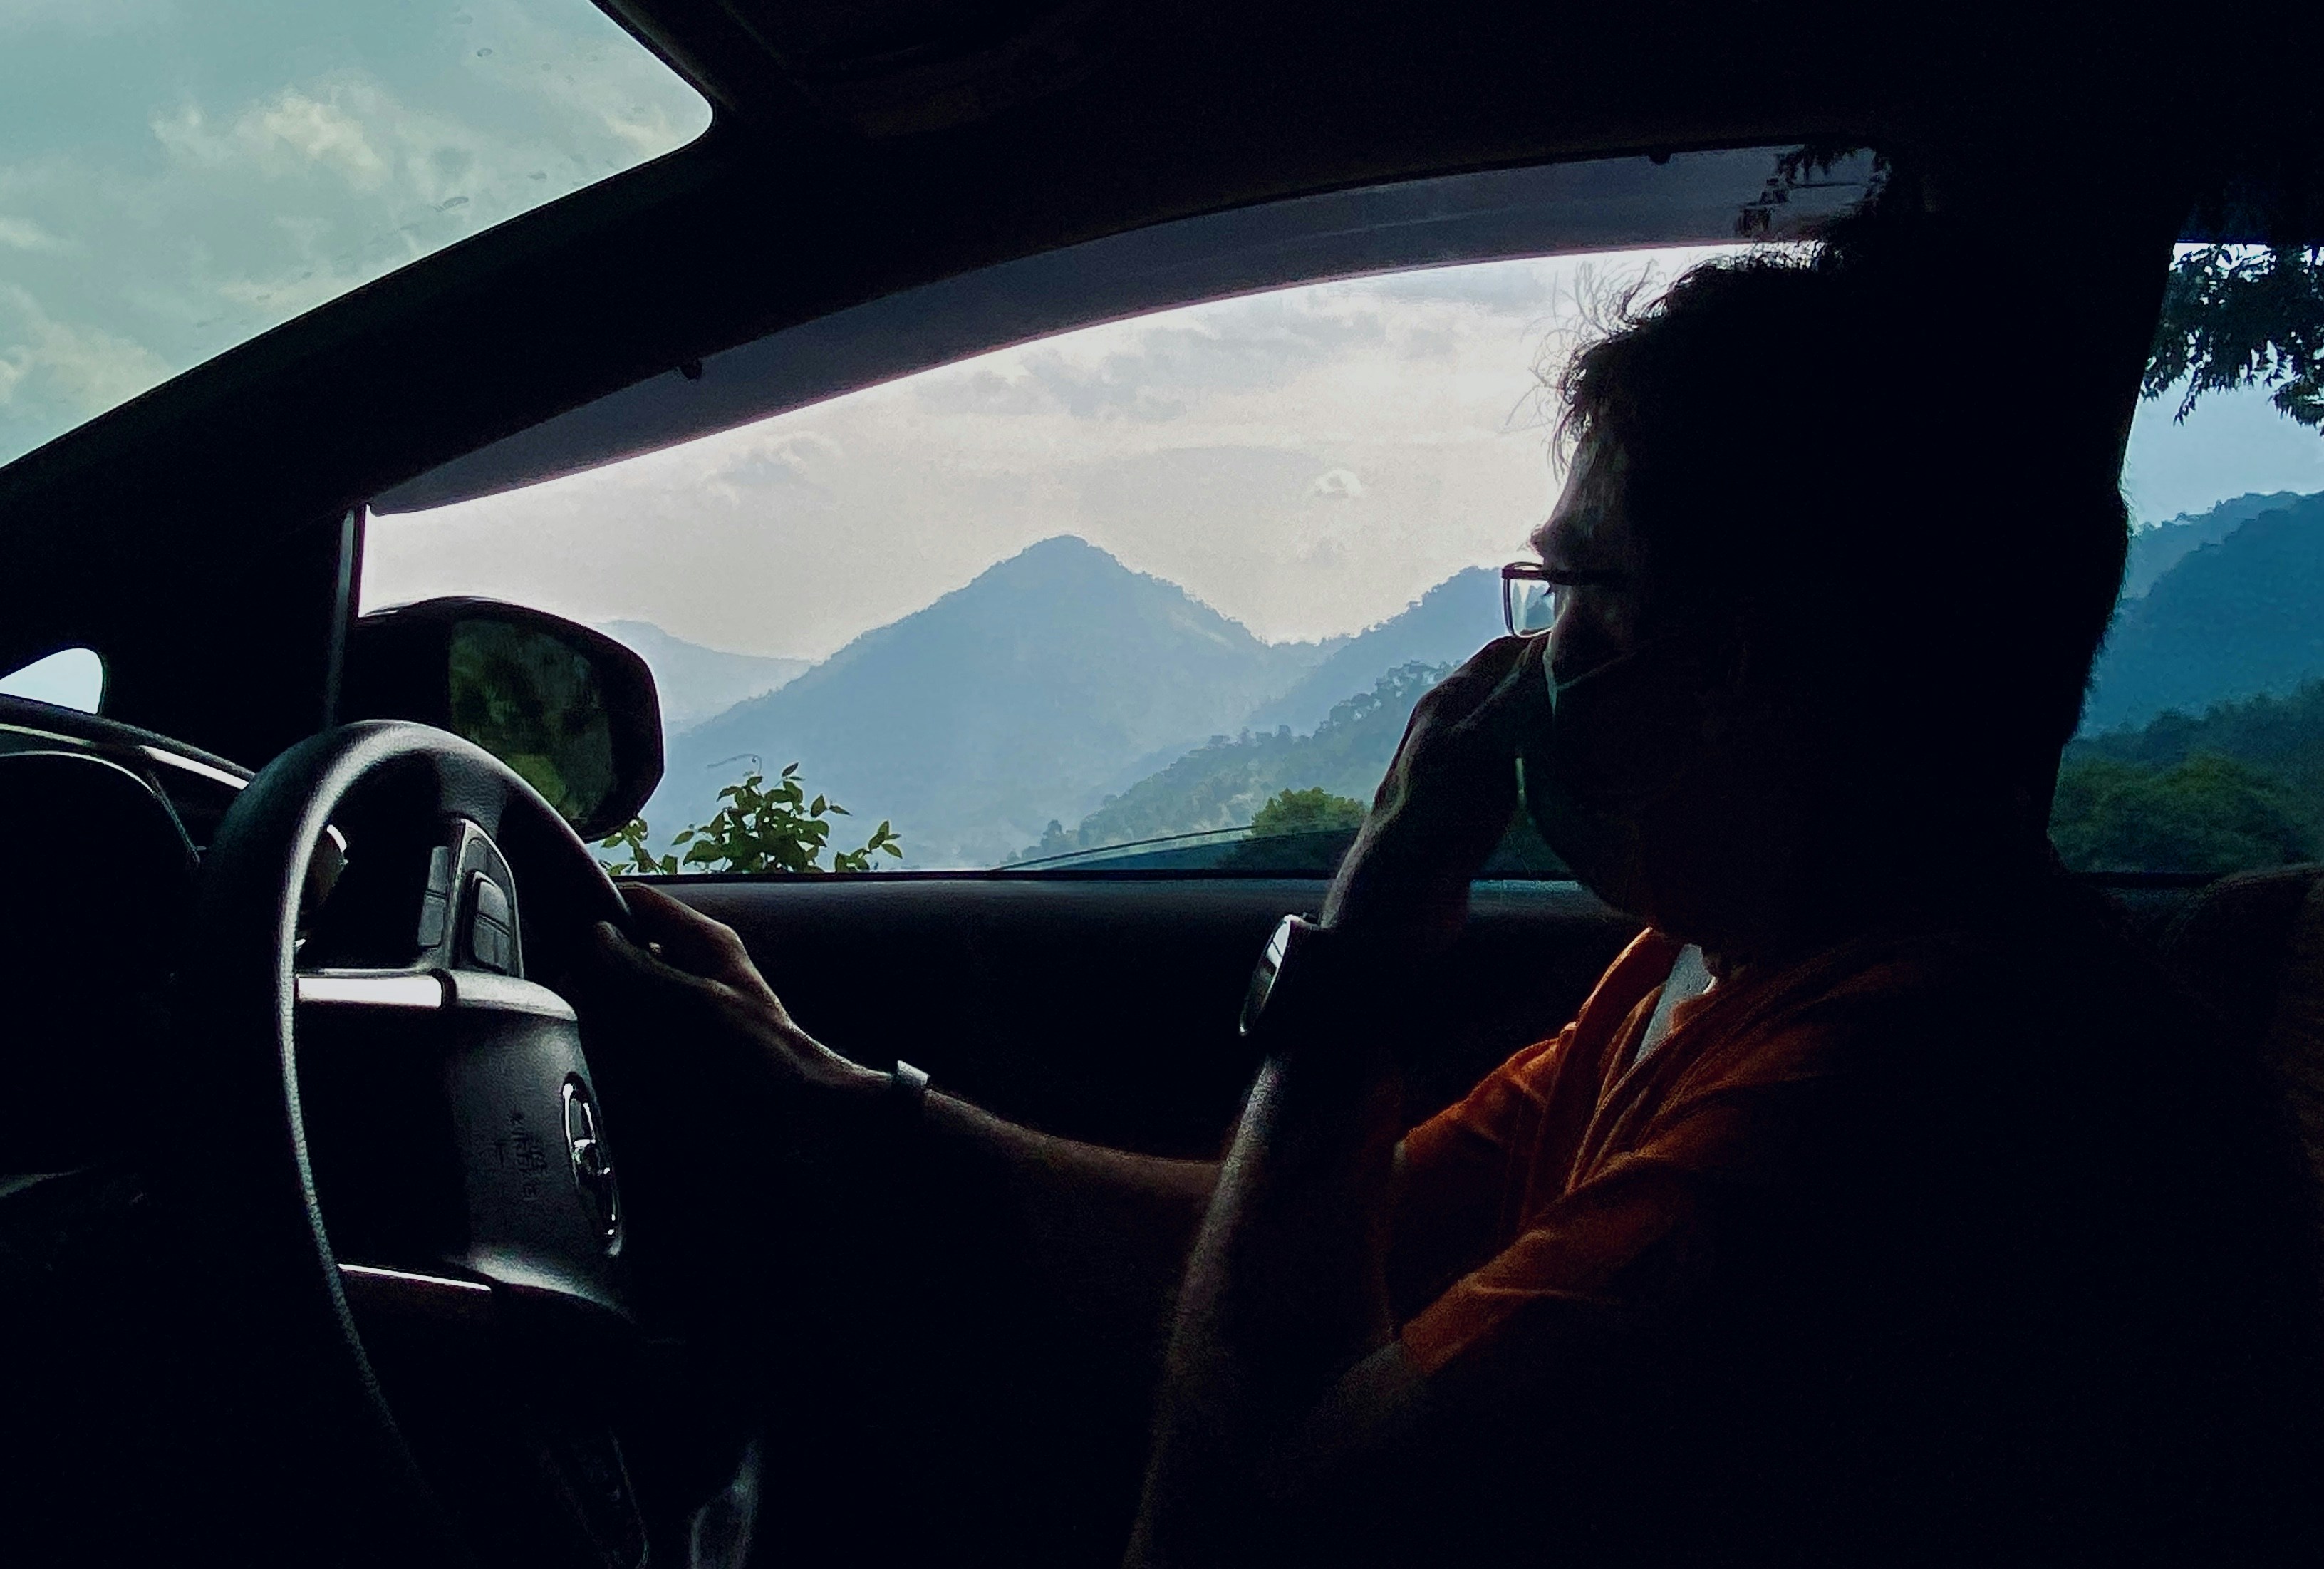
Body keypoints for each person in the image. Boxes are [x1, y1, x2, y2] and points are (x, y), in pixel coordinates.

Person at [574, 239, 2324, 1565]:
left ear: (1718, 659)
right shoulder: (1715, 965)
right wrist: (832, 1109)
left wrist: (1362, 940)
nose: (1517, 656)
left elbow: (1248, 1514)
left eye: (1564, 587)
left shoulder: (1899, 1106)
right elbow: (1303, 1254)